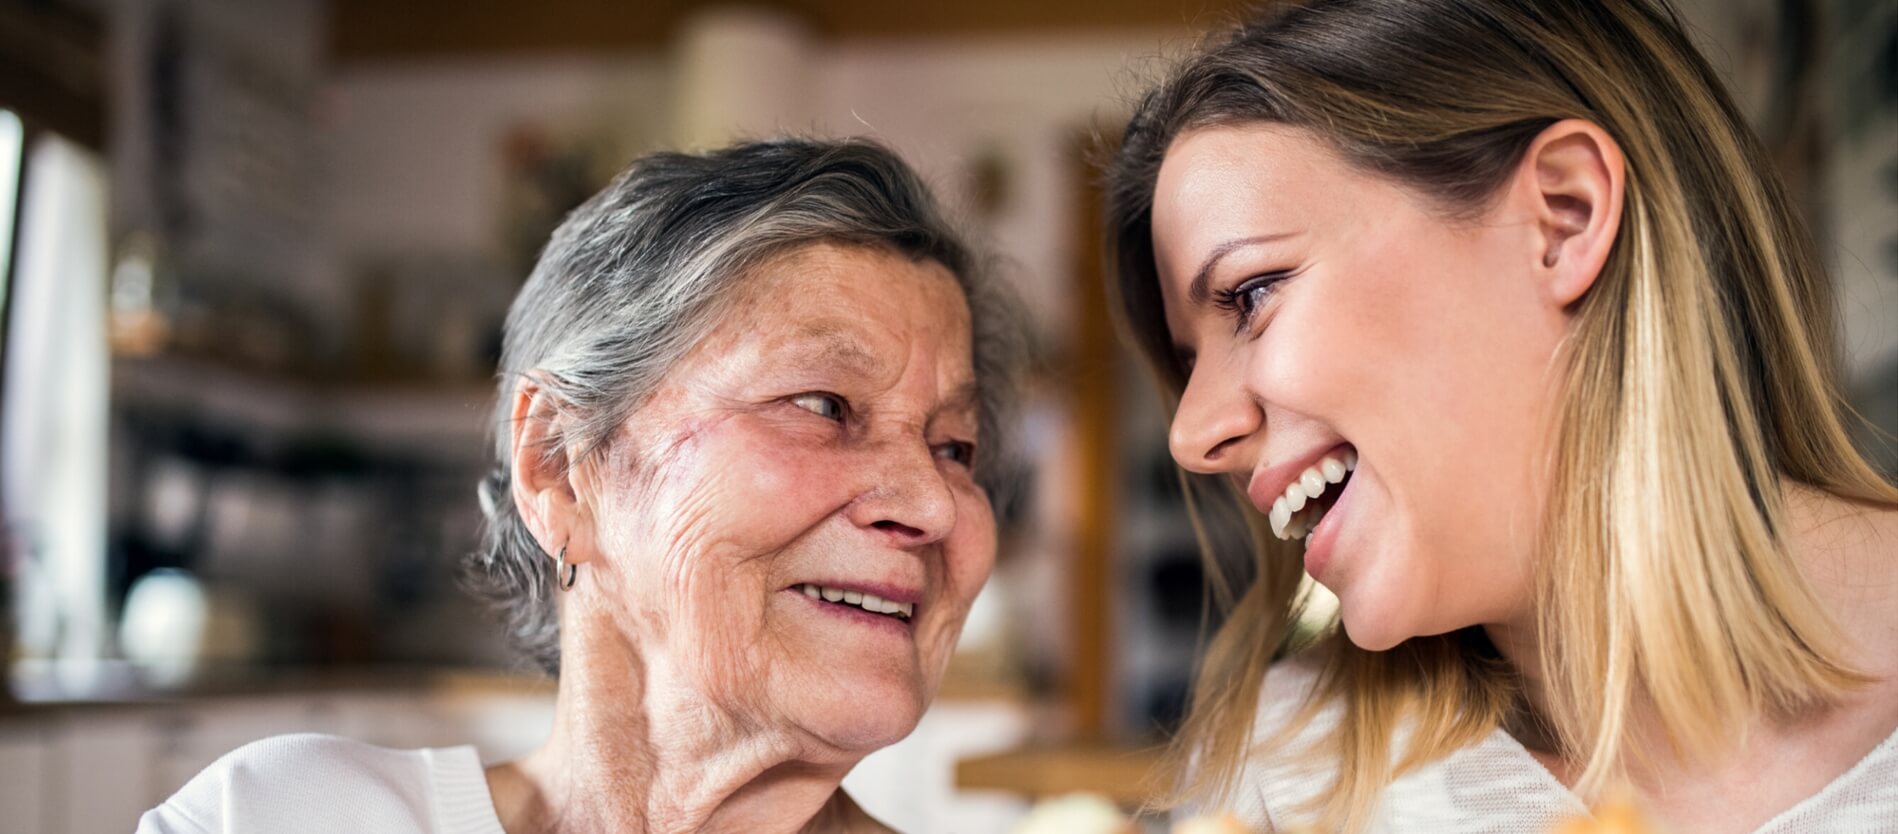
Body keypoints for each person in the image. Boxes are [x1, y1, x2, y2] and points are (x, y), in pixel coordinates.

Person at [1104, 1, 1898, 831]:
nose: (1192, 437)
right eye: (1188, 363)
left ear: (1564, 215)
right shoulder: (1283, 776)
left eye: (1252, 294)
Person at [138, 137, 1024, 834]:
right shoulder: (284, 820)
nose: (933, 502)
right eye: (825, 404)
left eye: (955, 446)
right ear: (560, 464)